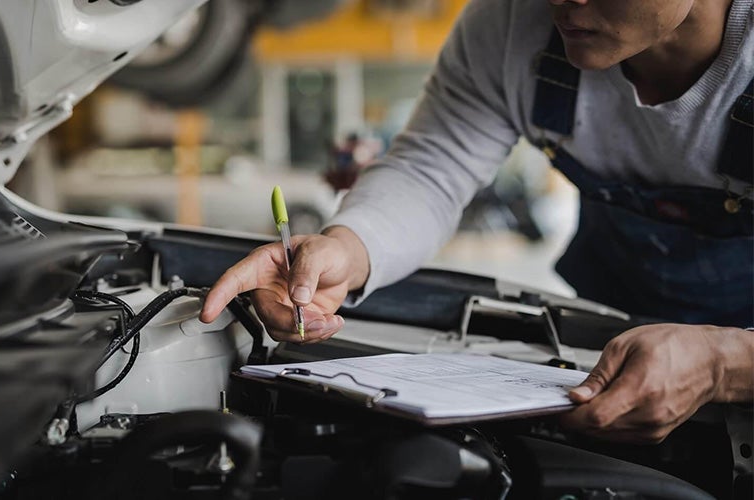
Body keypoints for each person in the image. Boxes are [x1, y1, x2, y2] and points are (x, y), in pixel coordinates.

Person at [201, 0, 754, 445]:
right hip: (605, 344)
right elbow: (432, 167)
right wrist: (347, 248)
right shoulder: (516, 22)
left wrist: (725, 363)